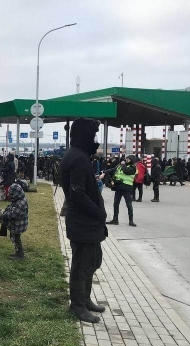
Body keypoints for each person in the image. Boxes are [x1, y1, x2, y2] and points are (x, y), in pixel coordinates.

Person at [60, 118, 106, 324]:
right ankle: (77, 305)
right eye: (92, 135)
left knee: (93, 260)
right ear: (84, 135)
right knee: (81, 265)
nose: (94, 139)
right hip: (83, 222)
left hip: (86, 223)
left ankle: (85, 299)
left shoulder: (79, 155)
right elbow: (77, 193)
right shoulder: (77, 158)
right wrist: (98, 212)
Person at [102, 155, 138, 227]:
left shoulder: (133, 168)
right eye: (126, 159)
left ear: (131, 160)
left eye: (128, 159)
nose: (126, 160)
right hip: (118, 187)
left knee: (129, 204)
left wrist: (123, 164)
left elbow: (126, 171)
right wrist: (104, 172)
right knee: (116, 203)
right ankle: (115, 219)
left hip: (127, 188)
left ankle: (131, 221)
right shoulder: (121, 165)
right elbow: (113, 169)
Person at [2, 183, 28, 260]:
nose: (9, 195)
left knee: (16, 239)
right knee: (14, 238)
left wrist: (5, 214)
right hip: (16, 224)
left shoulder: (20, 203)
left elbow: (14, 214)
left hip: (18, 225)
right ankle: (18, 252)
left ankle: (20, 254)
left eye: (11, 194)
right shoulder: (18, 199)